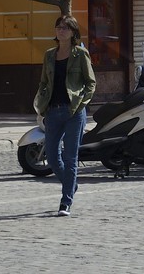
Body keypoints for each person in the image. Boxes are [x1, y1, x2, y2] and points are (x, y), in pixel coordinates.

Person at [33, 15, 96, 217]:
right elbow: (44, 83)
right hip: (53, 111)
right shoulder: (49, 55)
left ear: (73, 32)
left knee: (70, 157)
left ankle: (65, 201)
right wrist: (41, 104)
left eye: (65, 28)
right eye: (58, 27)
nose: (61, 31)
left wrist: (80, 103)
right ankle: (71, 184)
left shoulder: (80, 54)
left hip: (73, 112)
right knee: (51, 156)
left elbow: (90, 83)